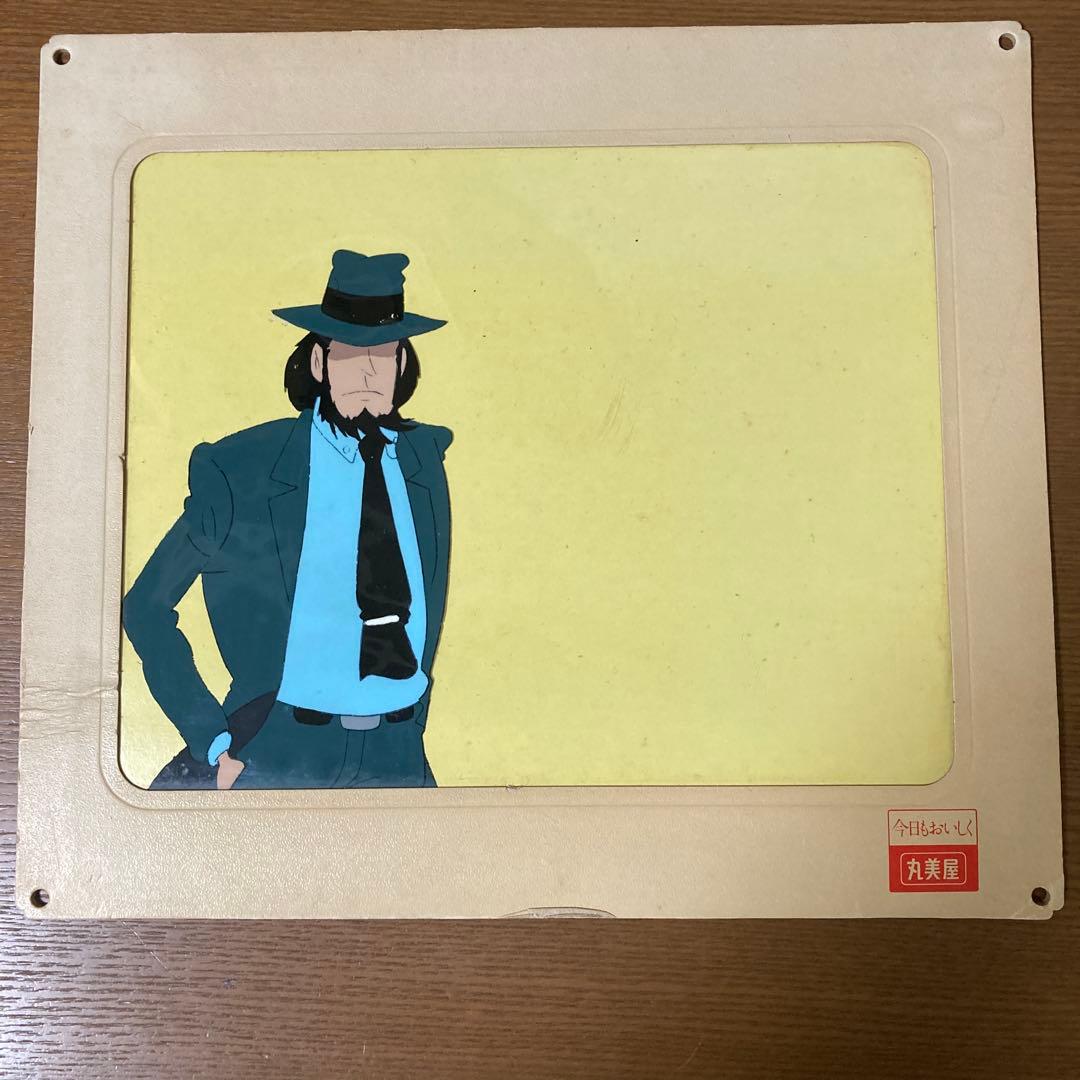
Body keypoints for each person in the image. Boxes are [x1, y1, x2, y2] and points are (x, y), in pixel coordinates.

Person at [123, 250, 452, 789]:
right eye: (351, 354)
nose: (370, 372)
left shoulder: (423, 461)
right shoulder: (242, 468)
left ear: (401, 366)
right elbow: (145, 606)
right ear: (319, 363)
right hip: (277, 747)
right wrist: (211, 740)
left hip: (397, 755)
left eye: (384, 354)